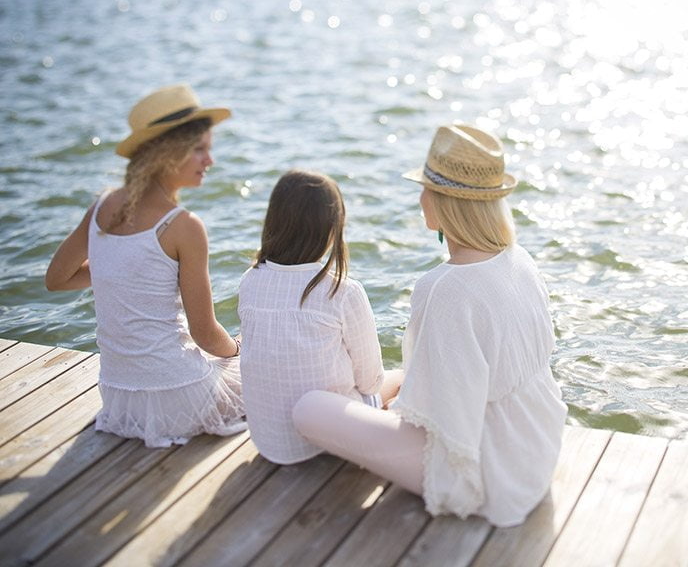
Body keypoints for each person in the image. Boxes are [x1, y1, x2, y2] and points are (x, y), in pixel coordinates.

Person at [292, 124, 568, 527]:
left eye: (425, 189)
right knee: (396, 380)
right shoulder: (519, 259)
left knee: (309, 408)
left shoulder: (444, 288)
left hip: (489, 472)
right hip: (536, 450)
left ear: (443, 202)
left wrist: (391, 409)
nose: (420, 198)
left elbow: (437, 419)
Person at [44, 83, 246, 448]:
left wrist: (121, 271)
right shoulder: (184, 226)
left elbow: (57, 279)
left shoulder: (101, 208)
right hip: (179, 395)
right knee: (255, 354)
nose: (210, 161)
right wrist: (238, 349)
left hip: (120, 398)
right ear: (168, 154)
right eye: (199, 149)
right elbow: (205, 334)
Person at [238, 170, 402, 464]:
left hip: (270, 442)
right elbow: (370, 382)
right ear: (331, 228)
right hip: (327, 442)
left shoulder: (250, 280)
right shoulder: (342, 291)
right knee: (401, 378)